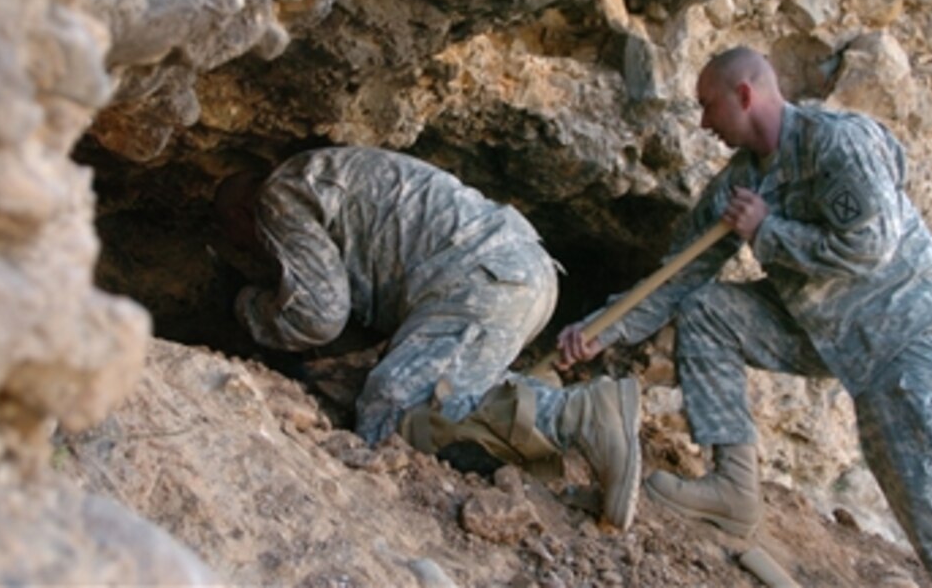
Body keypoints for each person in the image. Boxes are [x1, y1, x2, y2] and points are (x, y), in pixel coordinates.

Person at [555, 46, 932, 587]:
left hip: (906, 336)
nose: (704, 122)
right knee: (707, 309)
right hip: (828, 334)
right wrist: (598, 330)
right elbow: (676, 278)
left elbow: (871, 245)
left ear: (744, 94)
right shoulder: (738, 188)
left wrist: (766, 232)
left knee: (930, 504)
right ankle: (734, 487)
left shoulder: (837, 143)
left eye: (709, 106)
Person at [215, 146, 642, 528]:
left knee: (392, 411)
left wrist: (246, 305)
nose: (248, 249)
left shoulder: (279, 196)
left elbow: (319, 317)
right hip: (516, 270)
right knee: (448, 389)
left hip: (478, 279)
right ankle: (550, 412)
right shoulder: (324, 177)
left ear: (238, 216)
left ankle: (574, 414)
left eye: (233, 238)